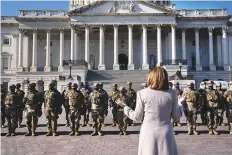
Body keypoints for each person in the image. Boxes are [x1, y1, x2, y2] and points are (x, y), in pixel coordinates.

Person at [116, 67, 182, 155]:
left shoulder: (142, 93)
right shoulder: (172, 93)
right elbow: (176, 117)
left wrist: (125, 107)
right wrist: (182, 106)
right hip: (166, 132)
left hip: (148, 132)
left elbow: (137, 116)